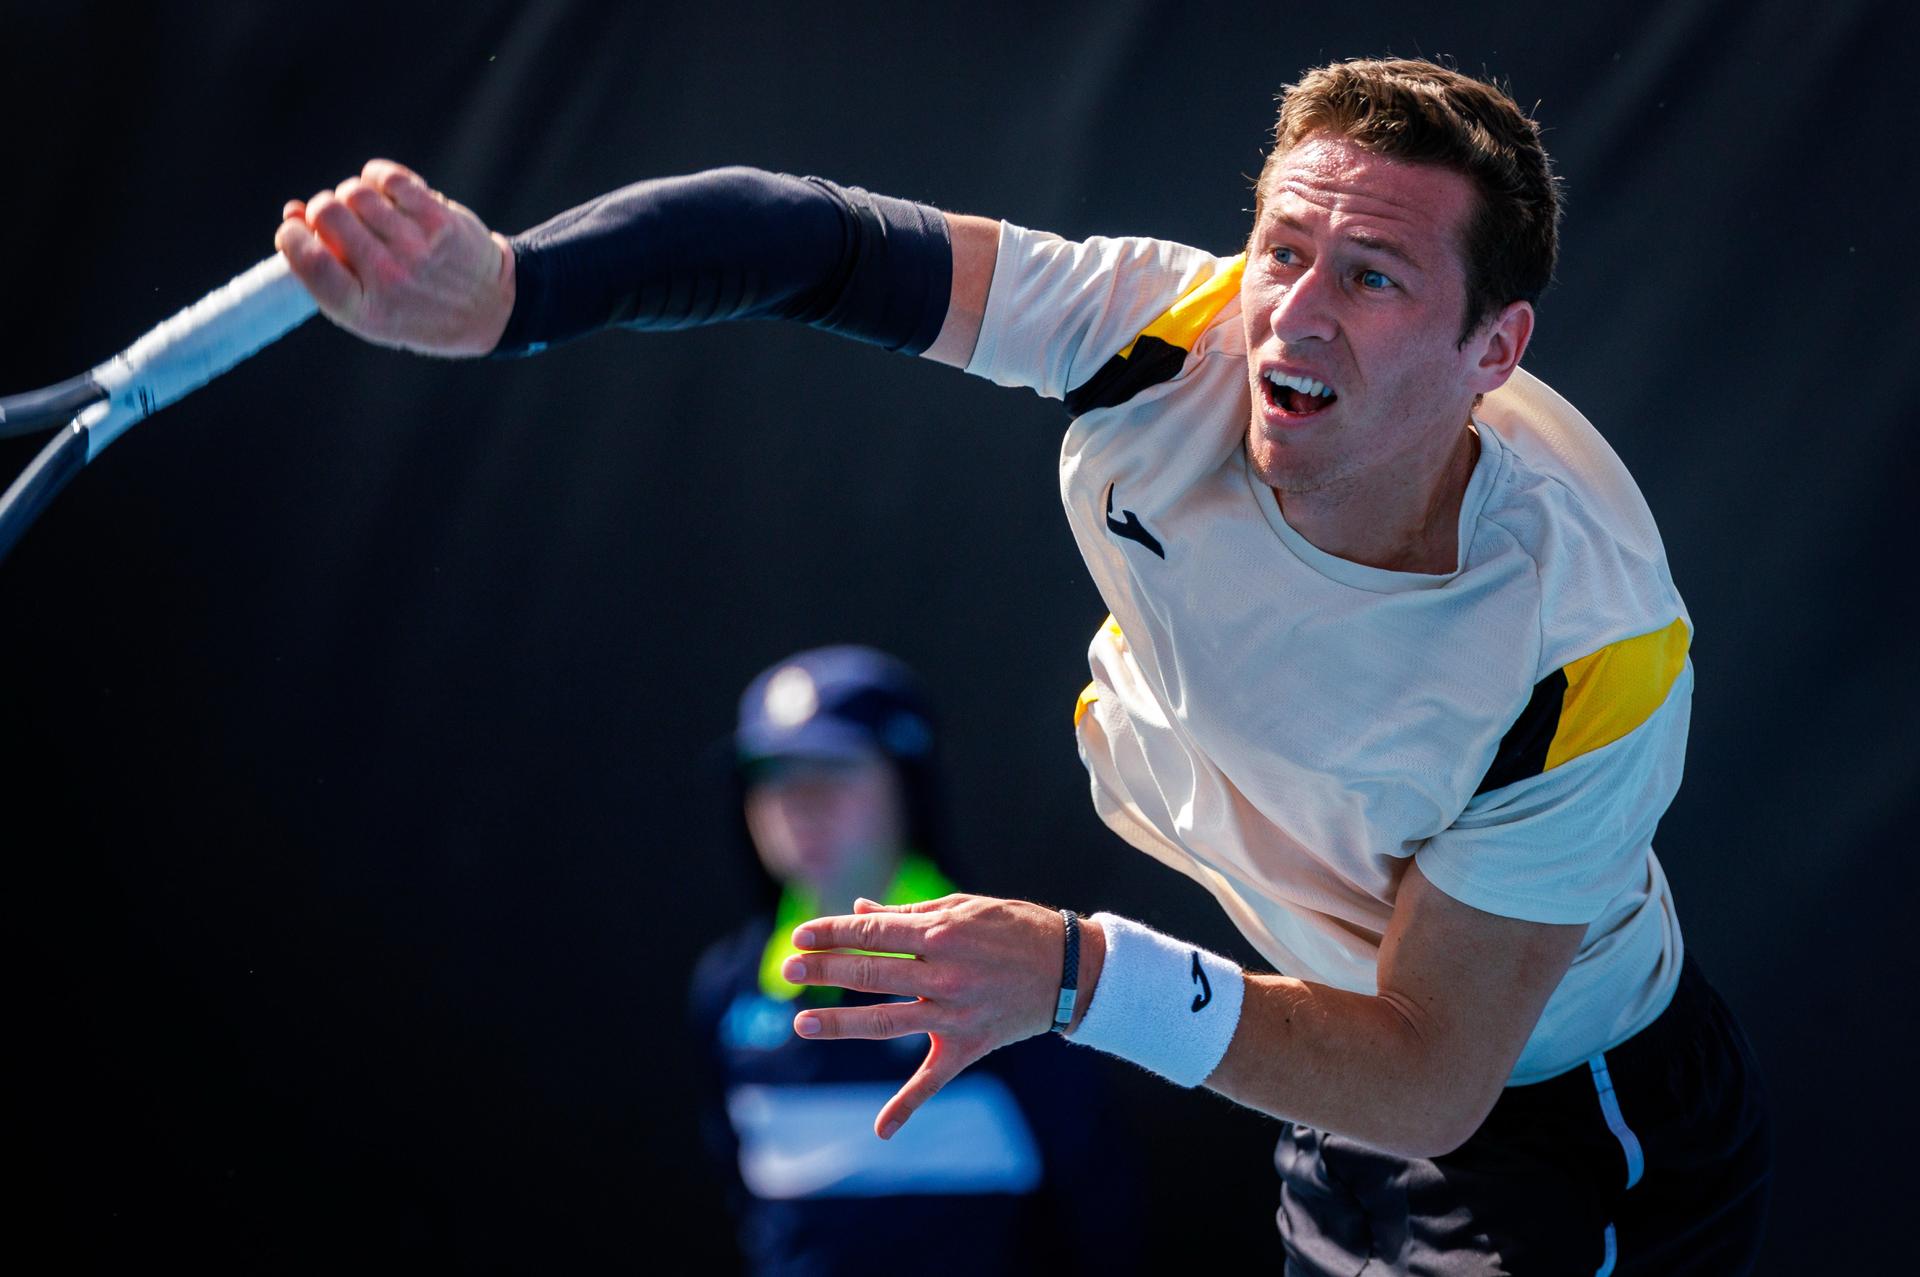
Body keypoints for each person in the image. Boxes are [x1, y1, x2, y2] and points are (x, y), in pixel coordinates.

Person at [276, 56, 1771, 1273]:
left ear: (1495, 350)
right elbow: (815, 240)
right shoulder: (1166, 331)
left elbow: (1434, 1073)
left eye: (1374, 277)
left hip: (1562, 1119)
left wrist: (1077, 971)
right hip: (1324, 1054)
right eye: (1285, 247)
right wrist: (517, 293)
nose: (1295, 313)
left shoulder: (1588, 653)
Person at [687, 645, 1140, 1275]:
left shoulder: (1014, 973)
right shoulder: (725, 989)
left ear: (907, 782)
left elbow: (1100, 1210)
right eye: (773, 774)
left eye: (831, 768)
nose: (798, 803)